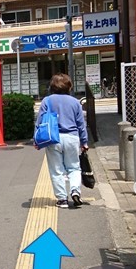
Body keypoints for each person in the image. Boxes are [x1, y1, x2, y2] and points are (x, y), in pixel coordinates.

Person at [36, 73, 89, 208]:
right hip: (72, 137)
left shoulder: (47, 101)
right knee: (74, 167)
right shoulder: (75, 102)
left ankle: (62, 199)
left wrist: (36, 139)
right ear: (69, 86)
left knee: (57, 170)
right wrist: (84, 141)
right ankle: (75, 190)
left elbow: (40, 121)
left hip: (53, 138)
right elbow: (81, 123)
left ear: (52, 86)